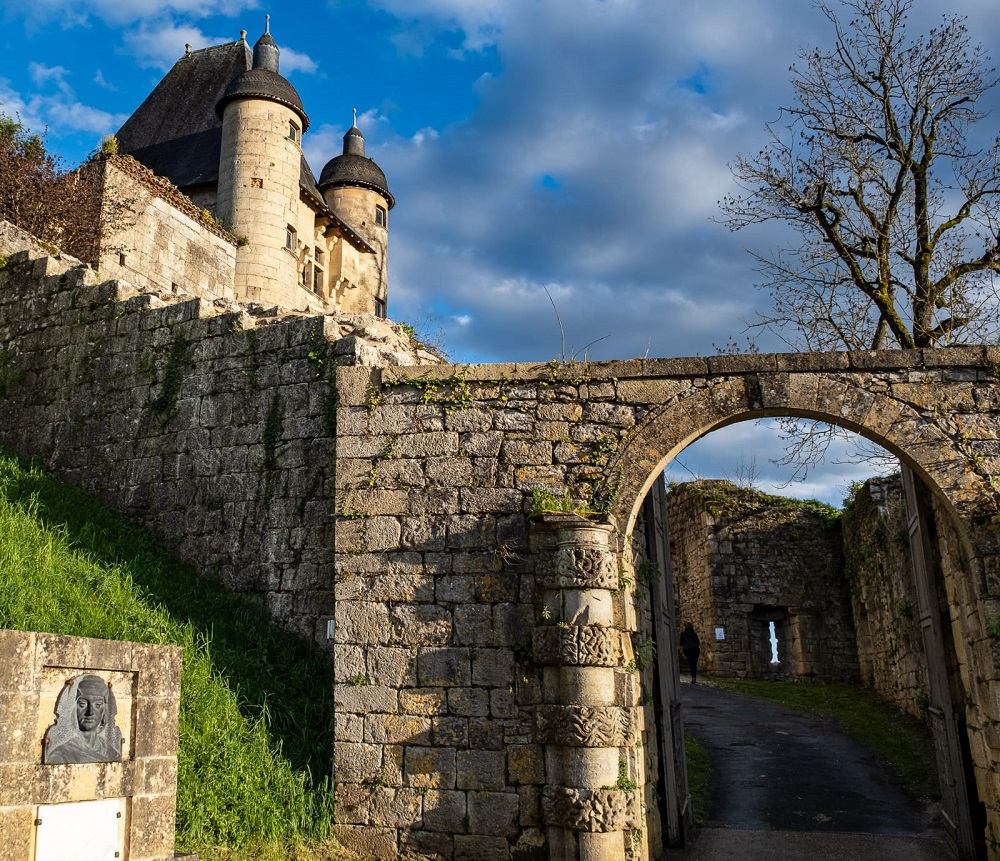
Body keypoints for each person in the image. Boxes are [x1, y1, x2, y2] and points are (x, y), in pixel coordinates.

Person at [43, 674, 122, 764]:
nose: (90, 712)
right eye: (82, 704)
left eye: (97, 705)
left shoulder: (111, 753)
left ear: (104, 711)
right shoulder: (61, 755)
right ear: (74, 708)